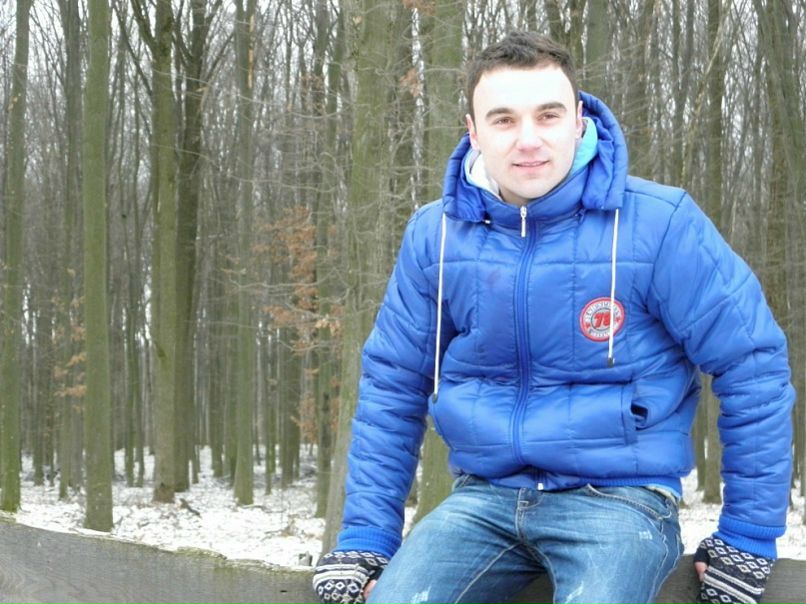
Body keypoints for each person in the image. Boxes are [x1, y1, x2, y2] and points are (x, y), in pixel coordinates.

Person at [312, 31, 794, 604]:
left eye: (548, 115)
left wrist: (747, 534)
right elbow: (393, 383)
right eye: (503, 120)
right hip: (482, 499)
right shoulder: (435, 236)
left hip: (621, 500)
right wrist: (367, 535)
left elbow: (751, 362)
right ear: (473, 131)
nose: (528, 139)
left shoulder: (659, 223)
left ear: (577, 119)